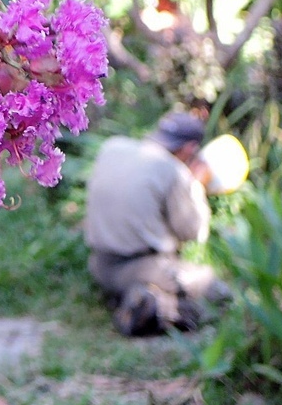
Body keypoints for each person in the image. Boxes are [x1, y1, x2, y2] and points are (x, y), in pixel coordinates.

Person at [84, 111, 230, 336]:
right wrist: (195, 187)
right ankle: (155, 308)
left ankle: (141, 297)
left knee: (152, 285)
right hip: (142, 267)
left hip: (99, 264)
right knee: (217, 290)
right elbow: (194, 232)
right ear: (189, 148)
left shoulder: (112, 147)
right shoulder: (173, 170)